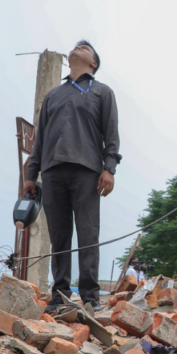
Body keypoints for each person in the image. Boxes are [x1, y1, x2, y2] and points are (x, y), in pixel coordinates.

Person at [23, 39, 120, 314]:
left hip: (87, 171)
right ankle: (60, 295)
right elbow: (40, 138)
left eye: (85, 47)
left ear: (93, 63)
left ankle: (90, 297)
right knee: (59, 235)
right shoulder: (53, 95)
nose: (78, 46)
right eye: (76, 45)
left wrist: (109, 168)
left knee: (88, 234)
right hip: (52, 172)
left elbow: (111, 135)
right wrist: (32, 174)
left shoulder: (102, 92)